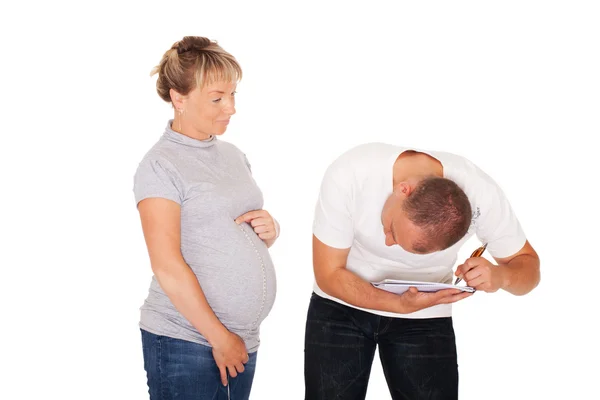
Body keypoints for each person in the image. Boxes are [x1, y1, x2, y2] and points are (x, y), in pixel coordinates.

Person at [304, 142, 540, 400]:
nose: (388, 242)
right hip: (341, 304)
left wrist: (500, 276)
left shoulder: (481, 195)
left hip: (425, 315)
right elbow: (328, 274)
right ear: (403, 190)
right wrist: (398, 304)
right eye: (392, 229)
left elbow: (529, 269)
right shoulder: (350, 173)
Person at [133, 36, 279, 400]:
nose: (230, 108)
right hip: (188, 341)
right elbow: (166, 264)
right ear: (178, 98)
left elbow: (223, 229)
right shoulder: (160, 165)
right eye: (217, 98)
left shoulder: (233, 155)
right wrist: (219, 337)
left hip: (240, 341)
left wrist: (268, 231)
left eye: (233, 95)